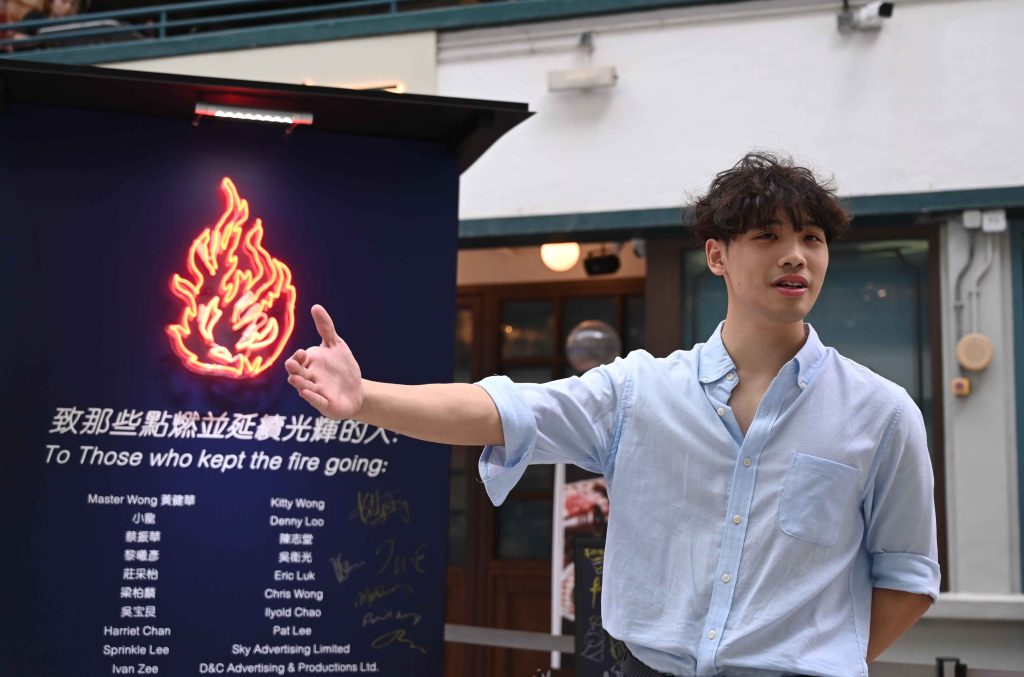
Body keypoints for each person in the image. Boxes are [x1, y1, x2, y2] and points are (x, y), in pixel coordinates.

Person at [284, 151, 940, 677]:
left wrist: (821, 659)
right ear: (716, 254)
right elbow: (502, 409)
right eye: (768, 235)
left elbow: (908, 580)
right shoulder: (639, 391)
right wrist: (367, 398)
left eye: (812, 238)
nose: (796, 254)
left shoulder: (880, 414)